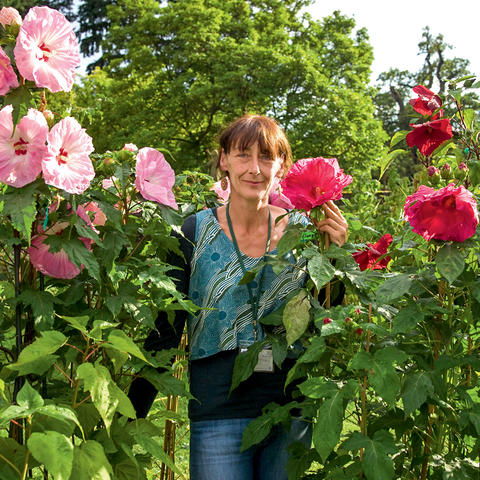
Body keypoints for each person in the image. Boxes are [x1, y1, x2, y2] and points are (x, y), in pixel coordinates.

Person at [128, 115, 348, 480]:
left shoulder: (306, 234)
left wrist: (335, 260)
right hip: (217, 409)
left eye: (266, 157)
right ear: (224, 161)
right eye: (243, 155)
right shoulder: (191, 232)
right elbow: (166, 331)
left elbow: (326, 318)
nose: (255, 168)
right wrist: (129, 415)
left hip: (290, 409)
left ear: (282, 166)